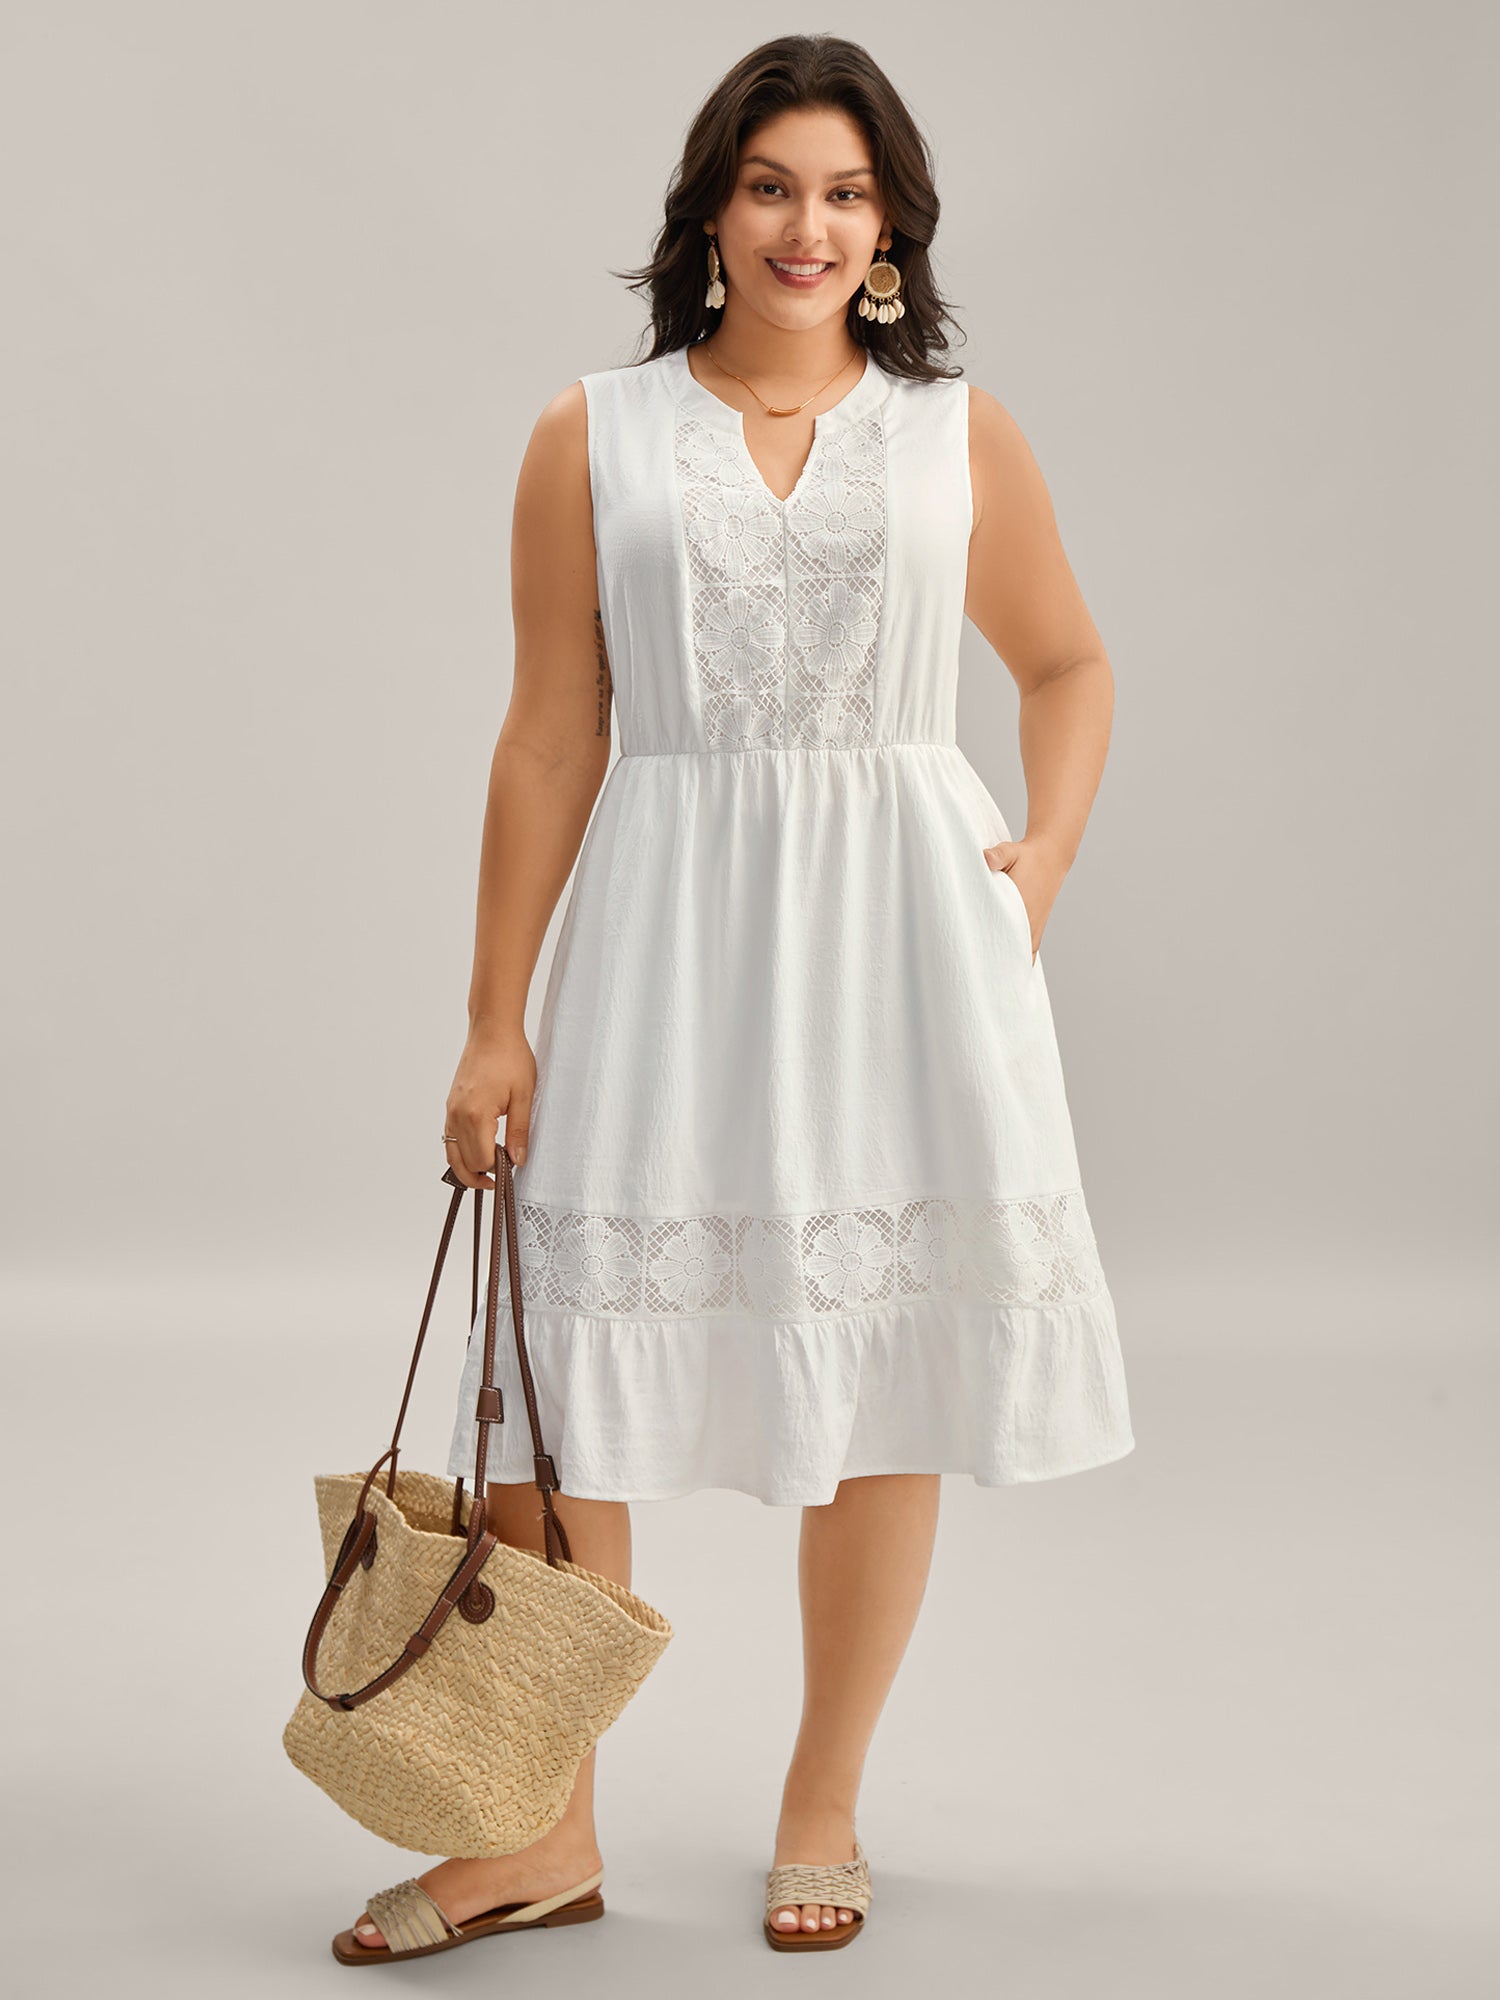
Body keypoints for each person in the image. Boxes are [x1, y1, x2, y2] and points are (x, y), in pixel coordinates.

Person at [338, 31, 1134, 1964]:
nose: (808, 225)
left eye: (847, 193)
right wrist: (493, 1017)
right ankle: (539, 1831)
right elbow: (549, 736)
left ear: (893, 230)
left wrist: (1041, 861)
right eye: (772, 185)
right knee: (567, 1386)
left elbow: (1066, 664)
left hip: (901, 953)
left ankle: (823, 1800)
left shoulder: (957, 435)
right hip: (665, 938)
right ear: (710, 211)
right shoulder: (591, 435)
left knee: (876, 1374)